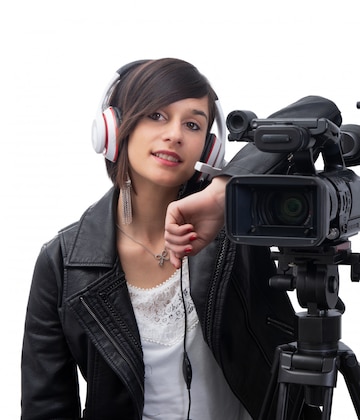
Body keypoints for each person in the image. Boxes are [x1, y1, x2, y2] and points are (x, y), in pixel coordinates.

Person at [21, 58, 317, 420]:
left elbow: (319, 110)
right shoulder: (63, 261)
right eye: (156, 116)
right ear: (114, 130)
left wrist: (224, 189)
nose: (175, 134)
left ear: (209, 149)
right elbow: (46, 406)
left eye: (192, 124)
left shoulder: (236, 231)